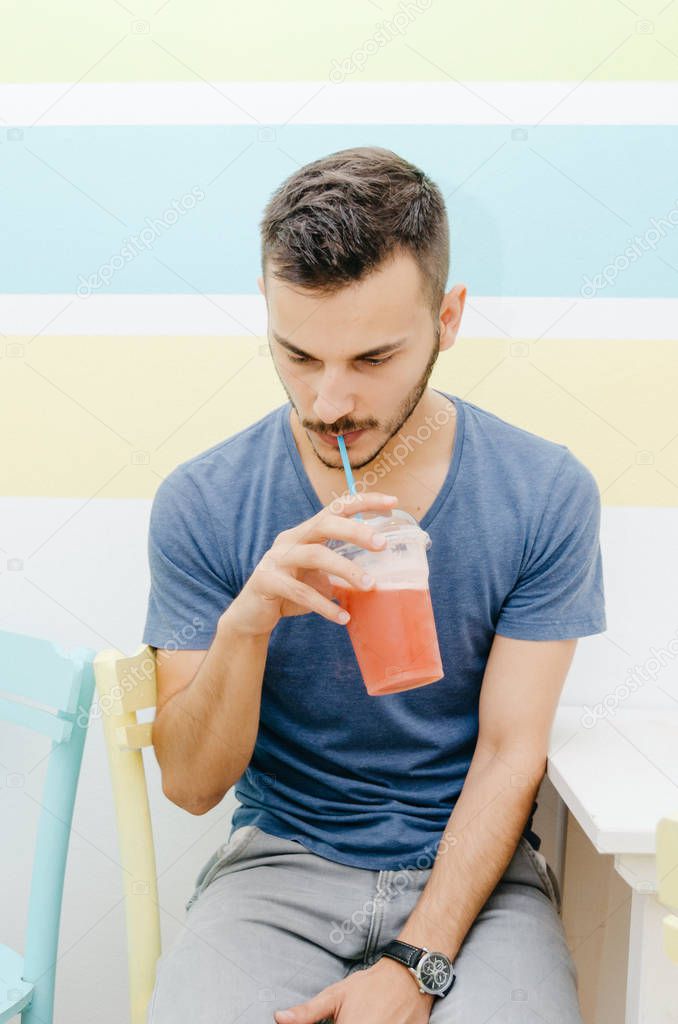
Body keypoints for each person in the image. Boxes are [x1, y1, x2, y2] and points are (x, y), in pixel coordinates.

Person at [142, 146, 606, 1024]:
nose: (327, 402)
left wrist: (417, 961)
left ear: (450, 318)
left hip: (476, 877)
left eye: (372, 358)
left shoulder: (544, 494)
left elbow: (513, 755)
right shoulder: (204, 502)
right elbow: (193, 786)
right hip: (277, 863)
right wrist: (247, 622)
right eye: (298, 354)